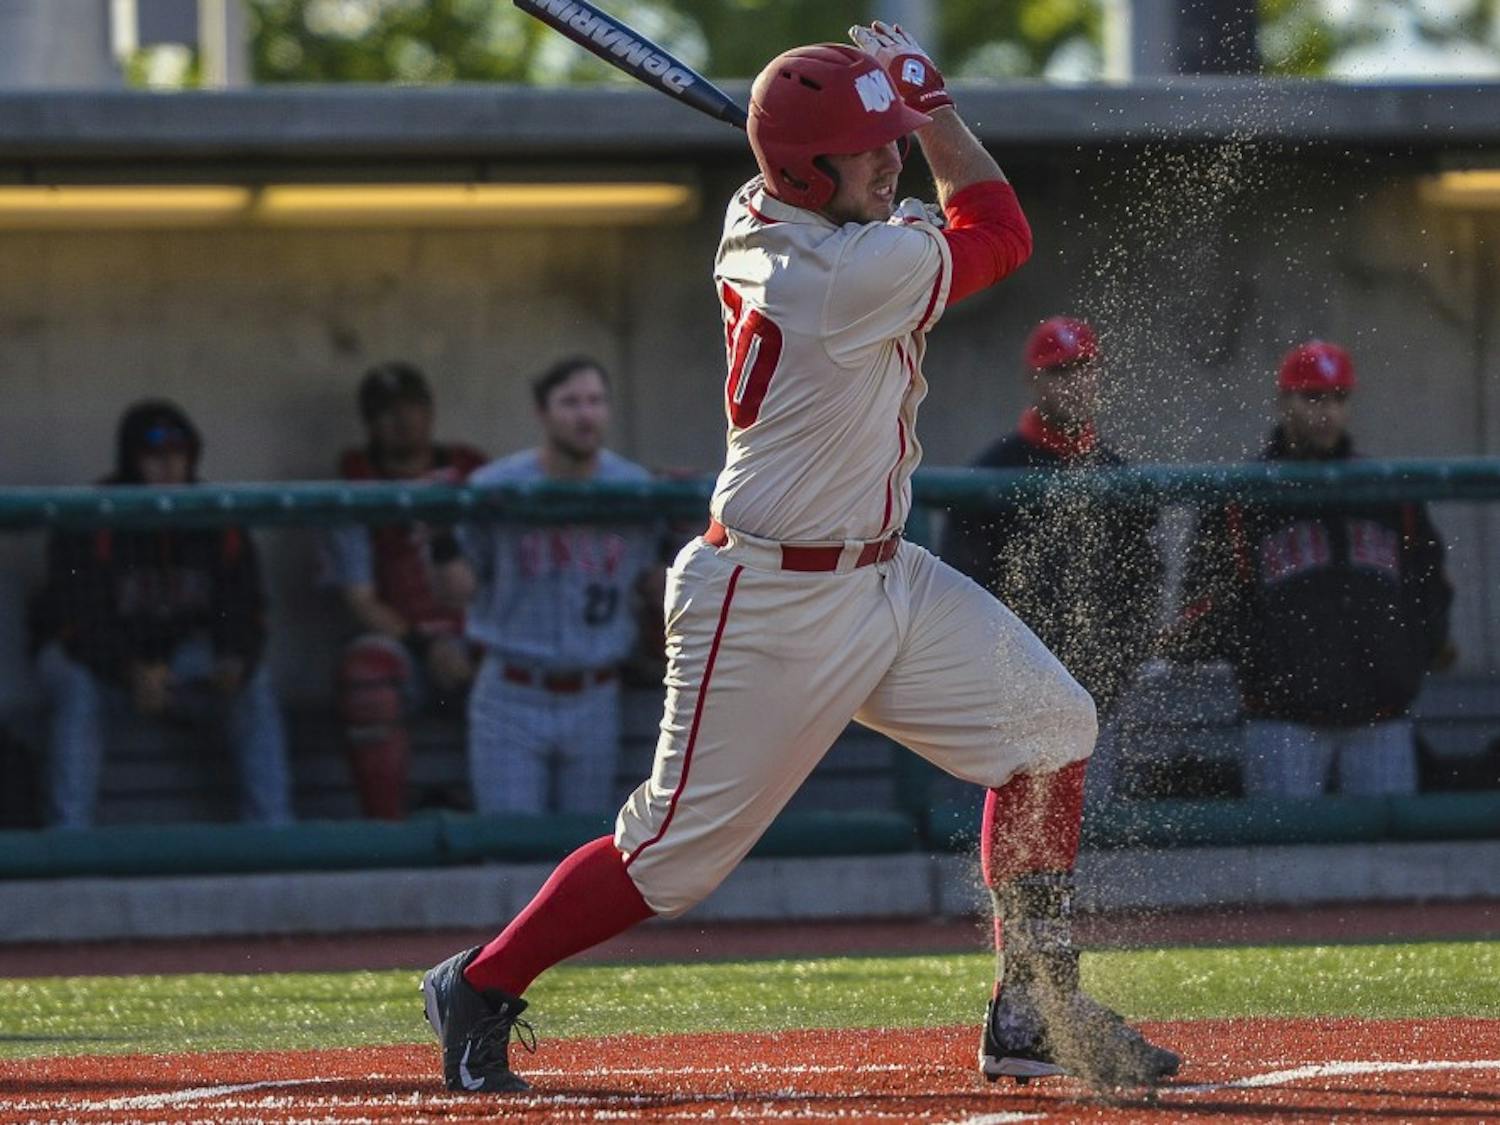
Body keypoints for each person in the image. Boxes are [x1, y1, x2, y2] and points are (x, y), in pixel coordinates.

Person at [419, 24, 1180, 1095]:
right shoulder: (840, 271)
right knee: (669, 862)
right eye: (870, 147)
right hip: (769, 599)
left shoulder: (772, 214)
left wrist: (879, 120)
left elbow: (906, 203)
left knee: (1054, 728)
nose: (893, 158)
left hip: (883, 573)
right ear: (804, 170)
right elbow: (1001, 231)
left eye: (891, 143)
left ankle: (1031, 1007)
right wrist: (938, 108)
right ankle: (482, 983)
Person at [1171, 340, 1453, 797]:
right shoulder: (1241, 497)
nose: (1327, 412)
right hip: (1282, 722)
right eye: (1313, 397)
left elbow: (1430, 587)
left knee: (1384, 862)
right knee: (1284, 864)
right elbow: (1208, 601)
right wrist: (1264, 669)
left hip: (1380, 715)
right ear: (1284, 402)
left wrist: (1403, 667)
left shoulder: (1388, 491)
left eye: (1339, 398)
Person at [34, 400, 293, 829]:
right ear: (131, 461)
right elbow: (74, 621)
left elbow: (248, 609)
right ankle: (67, 839)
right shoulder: (90, 515)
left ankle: (273, 829)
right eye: (155, 456)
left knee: (254, 682)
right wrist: (129, 670)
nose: (169, 467)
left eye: (178, 455)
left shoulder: (216, 515)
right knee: (74, 686)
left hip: (181, 669)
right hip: (102, 670)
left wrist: (234, 658)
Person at [439, 355, 661, 817]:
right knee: (511, 849)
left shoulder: (635, 488)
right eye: (571, 403)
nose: (586, 414)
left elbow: (656, 590)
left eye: (596, 401)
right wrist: (439, 531)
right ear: (542, 414)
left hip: (596, 691)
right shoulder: (496, 486)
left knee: (580, 855)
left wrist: (682, 537)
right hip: (511, 690)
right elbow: (455, 591)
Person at [941, 317, 1163, 721]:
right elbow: (964, 587)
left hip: (1095, 696)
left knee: (1093, 787)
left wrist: (1116, 671)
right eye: (1060, 371)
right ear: (1033, 379)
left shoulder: (1116, 473)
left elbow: (1145, 583)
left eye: (1085, 368)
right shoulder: (993, 473)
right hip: (1009, 697)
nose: (1075, 382)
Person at [325, 362, 486, 819]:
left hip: (480, 636)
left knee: (521, 669)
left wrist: (478, 638)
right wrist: (427, 642)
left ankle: (497, 824)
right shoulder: (355, 484)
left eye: (412, 407)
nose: (403, 420)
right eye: (388, 411)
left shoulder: (473, 474)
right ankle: (388, 830)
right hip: (406, 646)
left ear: (430, 411)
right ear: (370, 423)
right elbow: (359, 598)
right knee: (367, 674)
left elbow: (504, 577)